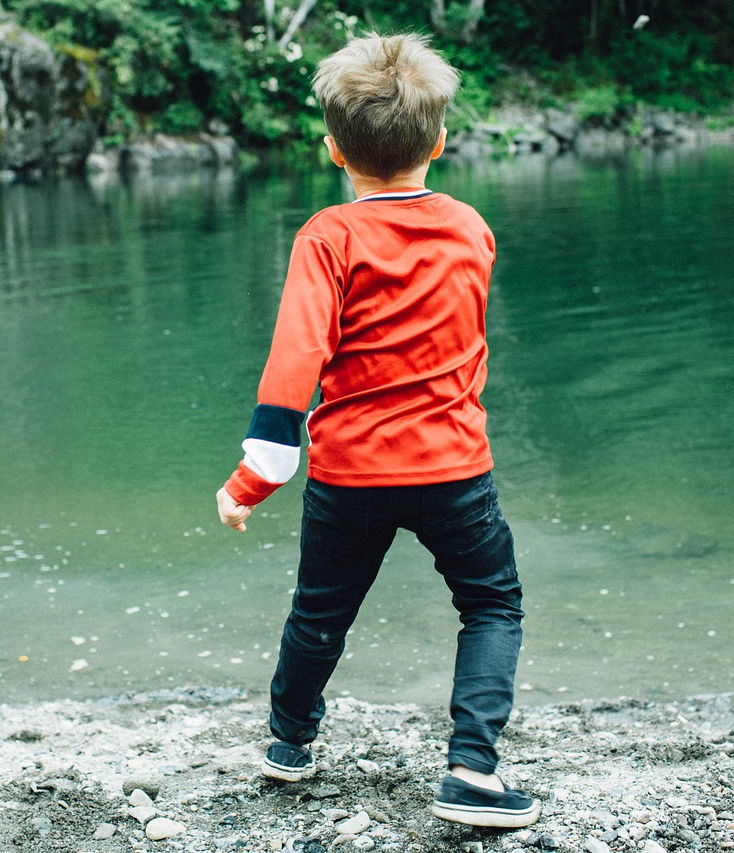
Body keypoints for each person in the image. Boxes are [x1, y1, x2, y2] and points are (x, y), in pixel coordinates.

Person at [215, 32, 540, 829]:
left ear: (333, 150)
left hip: (350, 471)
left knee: (319, 611)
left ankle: (289, 743)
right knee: (492, 605)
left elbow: (296, 360)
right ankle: (471, 768)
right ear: (438, 140)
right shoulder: (470, 227)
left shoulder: (328, 237)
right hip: (453, 467)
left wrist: (252, 477)